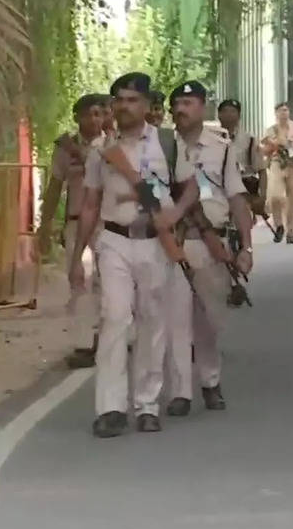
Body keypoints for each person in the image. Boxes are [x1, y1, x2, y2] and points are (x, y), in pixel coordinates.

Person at [72, 72, 198, 438]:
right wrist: (78, 254)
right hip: (113, 240)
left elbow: (191, 187)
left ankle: (146, 403)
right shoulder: (101, 151)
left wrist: (173, 215)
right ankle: (110, 407)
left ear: (145, 106)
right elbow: (91, 202)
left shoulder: (167, 144)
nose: (124, 107)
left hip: (154, 243)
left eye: (132, 100)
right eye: (119, 100)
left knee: (152, 319)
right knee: (114, 316)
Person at [164, 81, 256, 415]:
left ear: (202, 107)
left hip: (210, 241)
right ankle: (180, 391)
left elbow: (236, 197)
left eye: (188, 102)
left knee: (209, 319)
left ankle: (210, 380)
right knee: (175, 317)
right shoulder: (162, 146)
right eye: (177, 102)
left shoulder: (222, 148)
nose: (180, 109)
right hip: (171, 240)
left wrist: (246, 247)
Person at [37, 93, 109, 368]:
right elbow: (55, 187)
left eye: (98, 114)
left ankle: (107, 336)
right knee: (79, 281)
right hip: (76, 223)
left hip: (107, 224)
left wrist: (79, 152)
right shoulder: (63, 150)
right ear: (77, 118)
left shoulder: (111, 145)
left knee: (108, 282)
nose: (94, 120)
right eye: (88, 114)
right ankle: (83, 344)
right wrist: (45, 225)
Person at [262, 103, 293, 244]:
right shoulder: (271, 130)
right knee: (275, 196)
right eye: (281, 110)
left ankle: (290, 233)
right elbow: (264, 151)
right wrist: (273, 145)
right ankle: (279, 225)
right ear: (275, 113)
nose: (284, 113)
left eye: (286, 110)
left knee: (292, 201)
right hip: (277, 163)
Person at [217, 98, 267, 222]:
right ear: (219, 115)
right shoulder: (210, 139)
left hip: (244, 188)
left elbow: (262, 170)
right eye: (225, 111)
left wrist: (262, 197)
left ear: (239, 115)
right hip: (219, 188)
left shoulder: (249, 140)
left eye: (233, 111)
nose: (229, 115)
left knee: (243, 224)